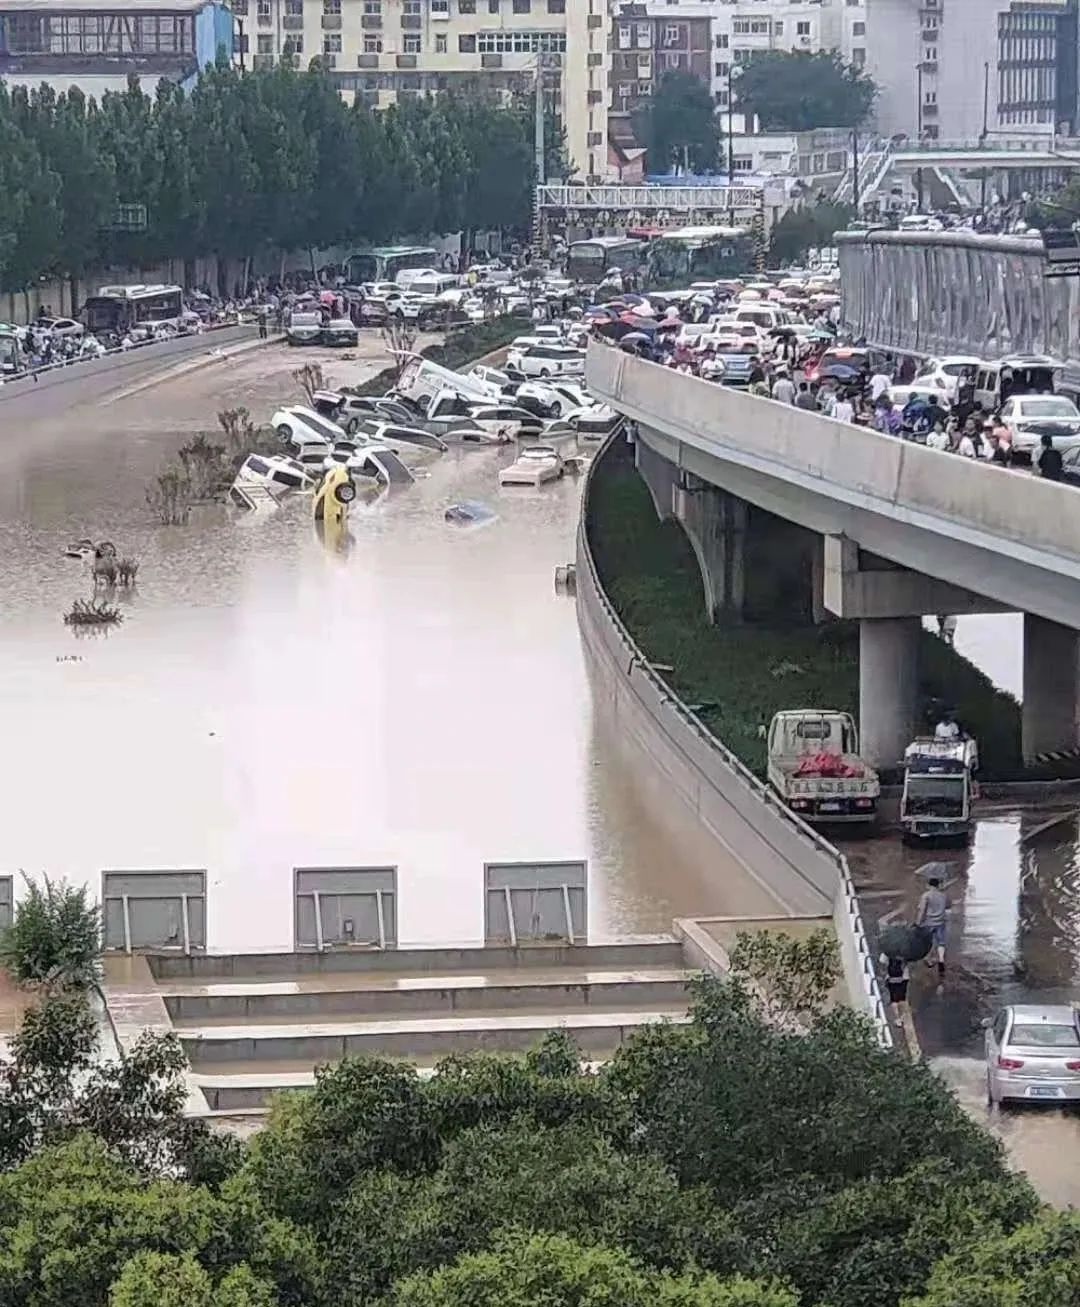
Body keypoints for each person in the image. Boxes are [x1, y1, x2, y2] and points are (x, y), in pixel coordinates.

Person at [916, 874, 949, 976]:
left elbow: (922, 910)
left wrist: (918, 922)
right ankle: (941, 960)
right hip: (941, 922)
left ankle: (928, 959)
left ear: (929, 885)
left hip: (929, 922)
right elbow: (948, 906)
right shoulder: (943, 895)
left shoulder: (926, 895)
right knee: (941, 943)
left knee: (928, 942)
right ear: (938, 885)